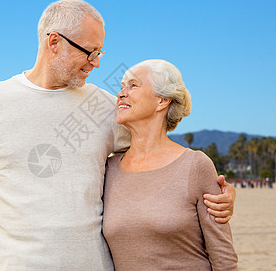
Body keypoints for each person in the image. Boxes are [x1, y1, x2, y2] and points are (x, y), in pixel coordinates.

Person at [0, 0, 236, 271]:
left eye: (100, 52)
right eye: (90, 52)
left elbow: (158, 155)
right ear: (53, 43)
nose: (97, 62)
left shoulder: (103, 106)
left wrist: (218, 194)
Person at [102, 59, 238, 270]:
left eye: (133, 85)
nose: (120, 93)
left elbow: (223, 257)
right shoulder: (108, 169)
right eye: (121, 86)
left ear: (162, 101)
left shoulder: (195, 165)